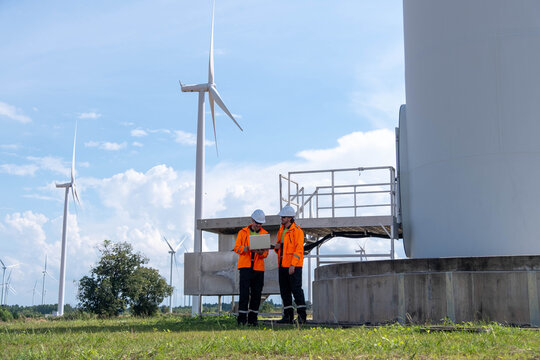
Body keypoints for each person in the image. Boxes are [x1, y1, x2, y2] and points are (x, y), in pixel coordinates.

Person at [233, 209, 269, 326]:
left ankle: (253, 319)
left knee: (256, 293)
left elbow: (266, 254)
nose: (258, 225)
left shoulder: (264, 233)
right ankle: (242, 319)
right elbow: (236, 248)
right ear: (252, 220)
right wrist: (244, 249)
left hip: (258, 267)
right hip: (245, 266)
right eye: (257, 222)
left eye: (260, 224)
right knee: (244, 293)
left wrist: (260, 253)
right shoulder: (242, 232)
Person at [274, 205, 307, 324]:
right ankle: (288, 316)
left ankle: (302, 317)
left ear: (290, 218)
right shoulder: (281, 230)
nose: (281, 218)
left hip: (294, 266)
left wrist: (293, 265)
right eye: (281, 216)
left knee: (296, 290)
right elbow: (280, 246)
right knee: (285, 291)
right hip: (282, 265)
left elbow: (299, 250)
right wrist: (277, 247)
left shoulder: (297, 231)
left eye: (283, 216)